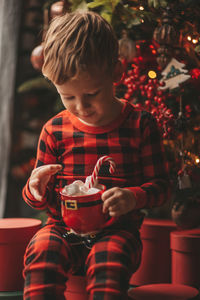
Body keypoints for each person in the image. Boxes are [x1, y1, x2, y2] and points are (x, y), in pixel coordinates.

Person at [22, 11, 171, 300]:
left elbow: (162, 188)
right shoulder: (54, 130)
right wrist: (34, 188)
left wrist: (134, 197)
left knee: (110, 261)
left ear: (116, 72)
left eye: (92, 93)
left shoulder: (139, 124)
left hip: (117, 233)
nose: (81, 106)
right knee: (41, 250)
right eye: (68, 97)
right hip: (62, 230)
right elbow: (37, 199)